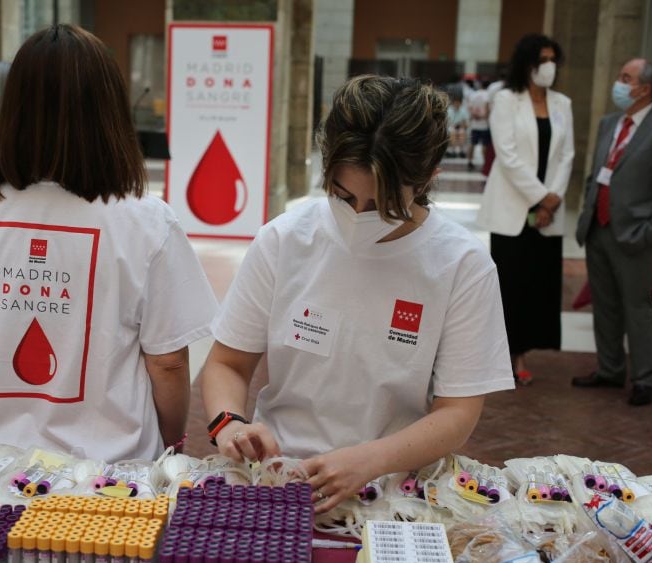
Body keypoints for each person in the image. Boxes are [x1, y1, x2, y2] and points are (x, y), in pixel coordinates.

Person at [200, 75, 514, 514]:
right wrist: (229, 422)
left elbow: (457, 412)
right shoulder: (285, 240)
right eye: (343, 196)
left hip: (393, 489)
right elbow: (228, 362)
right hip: (280, 478)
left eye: (383, 205)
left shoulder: (461, 265)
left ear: (426, 178)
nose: (359, 217)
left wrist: (370, 459)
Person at [0, 25, 218, 460]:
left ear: (15, 108)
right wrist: (171, 441)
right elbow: (168, 363)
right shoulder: (145, 220)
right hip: (113, 475)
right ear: (108, 109)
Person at [572, 59, 652, 407]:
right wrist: (586, 214)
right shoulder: (610, 123)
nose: (618, 84)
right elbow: (598, 174)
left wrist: (651, 233)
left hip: (635, 235)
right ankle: (609, 369)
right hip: (599, 228)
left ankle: (644, 379)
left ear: (644, 89)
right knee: (604, 306)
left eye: (625, 78)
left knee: (636, 309)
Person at [476, 33, 574, 386]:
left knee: (537, 285)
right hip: (513, 209)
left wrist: (554, 198)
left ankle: (523, 352)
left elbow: (566, 155)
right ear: (527, 64)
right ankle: (505, 357)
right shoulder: (506, 99)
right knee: (510, 285)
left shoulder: (563, 104)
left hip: (549, 211)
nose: (548, 66)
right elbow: (507, 154)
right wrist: (540, 198)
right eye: (541, 59)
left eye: (552, 59)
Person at [467, 81, 490, 171]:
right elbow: (488, 109)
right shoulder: (487, 95)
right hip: (484, 124)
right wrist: (482, 116)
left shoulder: (473, 95)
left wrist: (474, 116)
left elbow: (469, 107)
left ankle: (469, 161)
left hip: (474, 124)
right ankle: (485, 163)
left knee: (472, 143)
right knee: (485, 145)